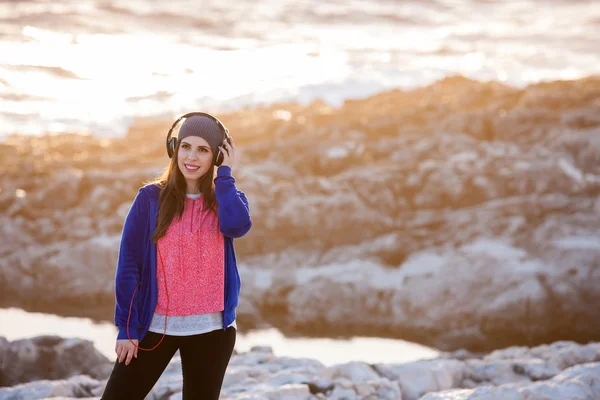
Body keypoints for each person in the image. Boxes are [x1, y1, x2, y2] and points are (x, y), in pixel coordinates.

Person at [101, 112, 252, 400]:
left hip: (211, 332)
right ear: (174, 148)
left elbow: (237, 225)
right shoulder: (149, 199)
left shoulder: (227, 198)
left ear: (217, 157)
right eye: (186, 146)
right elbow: (129, 266)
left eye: (203, 150)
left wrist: (226, 177)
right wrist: (127, 327)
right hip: (153, 328)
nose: (191, 157)